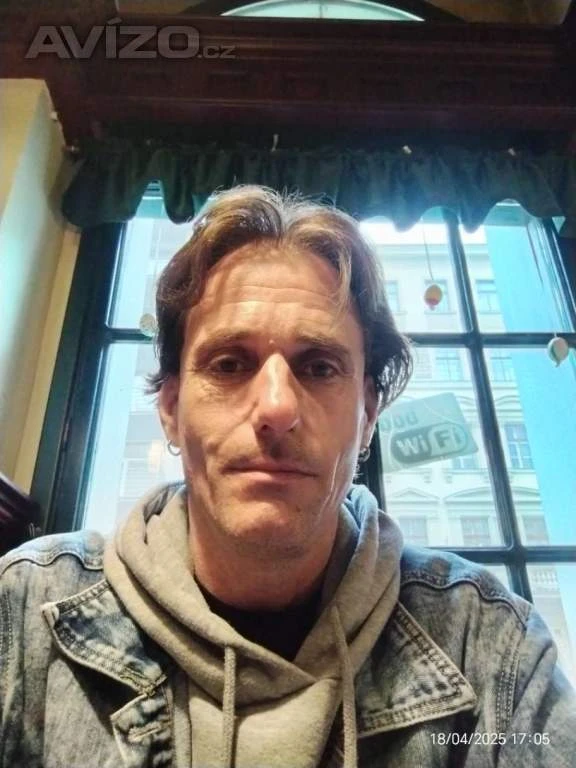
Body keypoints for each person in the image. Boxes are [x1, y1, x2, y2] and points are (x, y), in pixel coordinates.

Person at [0, 186, 574, 768]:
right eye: (229, 364)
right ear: (170, 409)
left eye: (319, 367)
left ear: (368, 413)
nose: (276, 408)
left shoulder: (493, 649)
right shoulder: (22, 611)